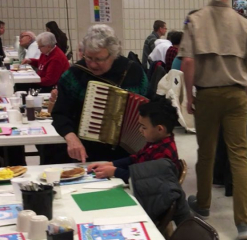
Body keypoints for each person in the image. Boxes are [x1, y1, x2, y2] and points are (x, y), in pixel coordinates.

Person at [180, 0, 247, 240]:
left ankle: (203, 203)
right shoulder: (243, 23)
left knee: (206, 152)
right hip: (236, 95)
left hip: (207, 94)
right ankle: (243, 223)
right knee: (239, 156)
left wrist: (190, 95)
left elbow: (188, 62)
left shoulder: (195, 20)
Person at [52, 25, 148, 163]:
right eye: (88, 57)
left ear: (113, 54)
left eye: (99, 59)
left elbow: (151, 106)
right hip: (87, 153)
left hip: (129, 154)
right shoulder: (74, 75)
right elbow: (60, 114)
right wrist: (71, 137)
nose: (92, 64)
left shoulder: (134, 71)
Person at [88, 97, 181, 183]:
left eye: (144, 127)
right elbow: (135, 158)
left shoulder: (164, 155)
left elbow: (145, 179)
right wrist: (110, 164)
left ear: (160, 129)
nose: (140, 130)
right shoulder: (155, 141)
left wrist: (115, 171)